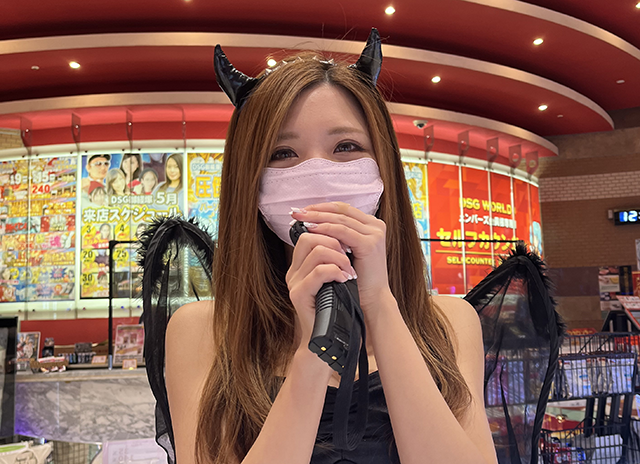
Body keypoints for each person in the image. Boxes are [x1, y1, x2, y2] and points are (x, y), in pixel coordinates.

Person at [164, 32, 498, 464]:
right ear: (250, 179)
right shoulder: (204, 332)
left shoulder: (449, 322)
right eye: (282, 153)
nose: (317, 171)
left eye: (346, 147)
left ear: (383, 165)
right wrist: (312, 353)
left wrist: (379, 305)